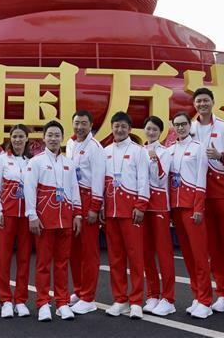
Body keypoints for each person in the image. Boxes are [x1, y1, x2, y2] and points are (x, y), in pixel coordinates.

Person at [190, 88, 224, 315]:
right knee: (212, 245)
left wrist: (219, 155)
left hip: (221, 189)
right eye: (198, 101)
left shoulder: (223, 127)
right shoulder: (189, 128)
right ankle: (221, 292)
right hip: (199, 192)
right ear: (194, 104)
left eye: (206, 100)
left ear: (212, 102)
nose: (202, 104)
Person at [24, 120, 82, 322]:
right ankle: (42, 303)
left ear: (62, 138)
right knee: (43, 264)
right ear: (44, 138)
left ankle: (62, 303)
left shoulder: (69, 163)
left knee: (62, 264)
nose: (54, 138)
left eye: (57, 135)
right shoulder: (36, 162)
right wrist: (32, 215)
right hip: (44, 221)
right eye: (50, 135)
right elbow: (29, 190)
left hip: (65, 220)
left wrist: (77, 214)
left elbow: (74, 189)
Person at [101, 111, 150, 319]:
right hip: (111, 211)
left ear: (130, 129)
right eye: (116, 126)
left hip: (132, 210)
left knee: (135, 257)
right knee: (115, 258)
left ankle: (137, 300)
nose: (119, 130)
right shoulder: (105, 151)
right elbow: (100, 182)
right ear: (111, 128)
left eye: (123, 126)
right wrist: (102, 206)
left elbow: (143, 179)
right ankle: (120, 299)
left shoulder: (139, 151)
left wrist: (141, 205)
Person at [167, 111, 213, 319]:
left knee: (199, 255)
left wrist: (198, 208)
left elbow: (201, 180)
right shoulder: (170, 150)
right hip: (176, 209)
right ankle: (197, 295)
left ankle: (205, 300)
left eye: (184, 124)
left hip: (192, 208)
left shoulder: (198, 148)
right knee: (187, 255)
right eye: (177, 125)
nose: (180, 128)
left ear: (189, 126)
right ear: (172, 127)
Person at [65, 110, 104, 315]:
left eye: (83, 123)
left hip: (88, 198)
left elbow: (98, 178)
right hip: (72, 198)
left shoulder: (95, 148)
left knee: (89, 251)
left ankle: (89, 297)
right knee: (74, 249)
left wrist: (95, 207)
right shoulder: (70, 144)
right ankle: (79, 290)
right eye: (76, 123)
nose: (79, 127)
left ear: (91, 125)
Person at [0, 124, 33, 318]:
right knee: (3, 258)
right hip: (6, 215)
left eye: (21, 137)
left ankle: (21, 300)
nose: (17, 140)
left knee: (24, 258)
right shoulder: (2, 159)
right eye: (14, 136)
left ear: (27, 139)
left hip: (26, 216)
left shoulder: (32, 161)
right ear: (10, 138)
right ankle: (6, 300)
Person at [142, 115, 176, 317]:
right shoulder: (139, 150)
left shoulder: (165, 152)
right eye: (148, 128)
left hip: (159, 206)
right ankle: (153, 294)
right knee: (146, 253)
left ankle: (168, 298)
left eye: (155, 129)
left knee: (164, 254)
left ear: (160, 132)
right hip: (142, 206)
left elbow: (160, 178)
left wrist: (154, 159)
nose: (151, 132)